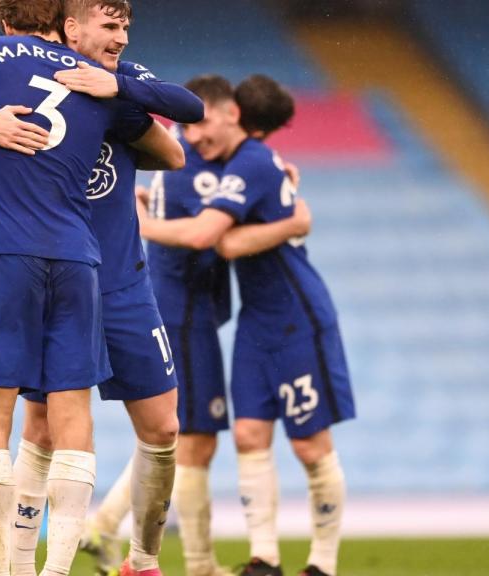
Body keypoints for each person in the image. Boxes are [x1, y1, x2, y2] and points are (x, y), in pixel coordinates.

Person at [0, 2, 202, 575]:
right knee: (43, 424)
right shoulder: (28, 72)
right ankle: (26, 566)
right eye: (110, 26)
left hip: (117, 278)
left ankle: (142, 559)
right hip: (71, 266)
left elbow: (175, 150)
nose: (121, 37)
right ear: (67, 28)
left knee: (163, 427)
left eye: (125, 27)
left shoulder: (120, 84)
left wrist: (118, 91)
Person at [137, 75, 356, 576]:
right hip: (258, 321)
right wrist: (294, 216)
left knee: (309, 443)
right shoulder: (245, 164)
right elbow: (223, 208)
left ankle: (322, 564)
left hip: (297, 315)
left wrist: (141, 225)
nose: (193, 138)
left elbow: (222, 241)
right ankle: (265, 560)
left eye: (201, 124)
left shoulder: (253, 160)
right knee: (250, 436)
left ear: (232, 113)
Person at [89, 100, 309, 576]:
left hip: (183, 308)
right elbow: (208, 234)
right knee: (191, 441)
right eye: (196, 124)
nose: (203, 136)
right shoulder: (197, 169)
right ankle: (194, 561)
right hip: (184, 313)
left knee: (177, 436)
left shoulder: (182, 166)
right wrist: (290, 212)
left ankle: (104, 527)